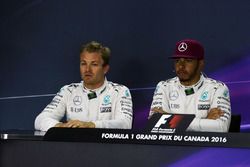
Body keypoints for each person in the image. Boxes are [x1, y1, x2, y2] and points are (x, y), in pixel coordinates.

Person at [35, 41, 133, 131]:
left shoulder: (120, 91)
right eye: (83, 64)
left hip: (107, 149)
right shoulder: (68, 91)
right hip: (74, 149)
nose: (87, 70)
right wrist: (60, 127)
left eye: (94, 64)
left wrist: (91, 125)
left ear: (105, 69)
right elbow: (40, 120)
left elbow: (125, 124)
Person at [149, 39, 231, 132]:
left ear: (201, 63)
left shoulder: (218, 88)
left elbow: (221, 127)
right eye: (177, 61)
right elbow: (155, 124)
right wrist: (205, 121)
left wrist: (170, 119)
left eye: (188, 60)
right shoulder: (163, 87)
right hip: (171, 146)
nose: (181, 66)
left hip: (204, 146)